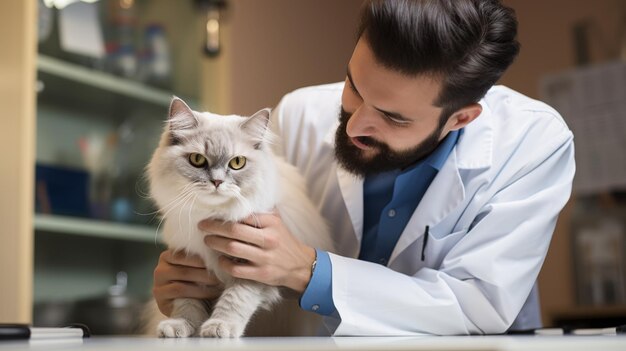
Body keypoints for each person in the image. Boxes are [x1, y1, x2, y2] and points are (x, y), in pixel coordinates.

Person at [152, 0, 575, 335]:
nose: (355, 124)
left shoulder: (533, 143)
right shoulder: (299, 113)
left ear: (461, 118)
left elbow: (477, 305)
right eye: (353, 86)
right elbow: (256, 282)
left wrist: (308, 270)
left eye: (393, 117)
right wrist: (196, 286)